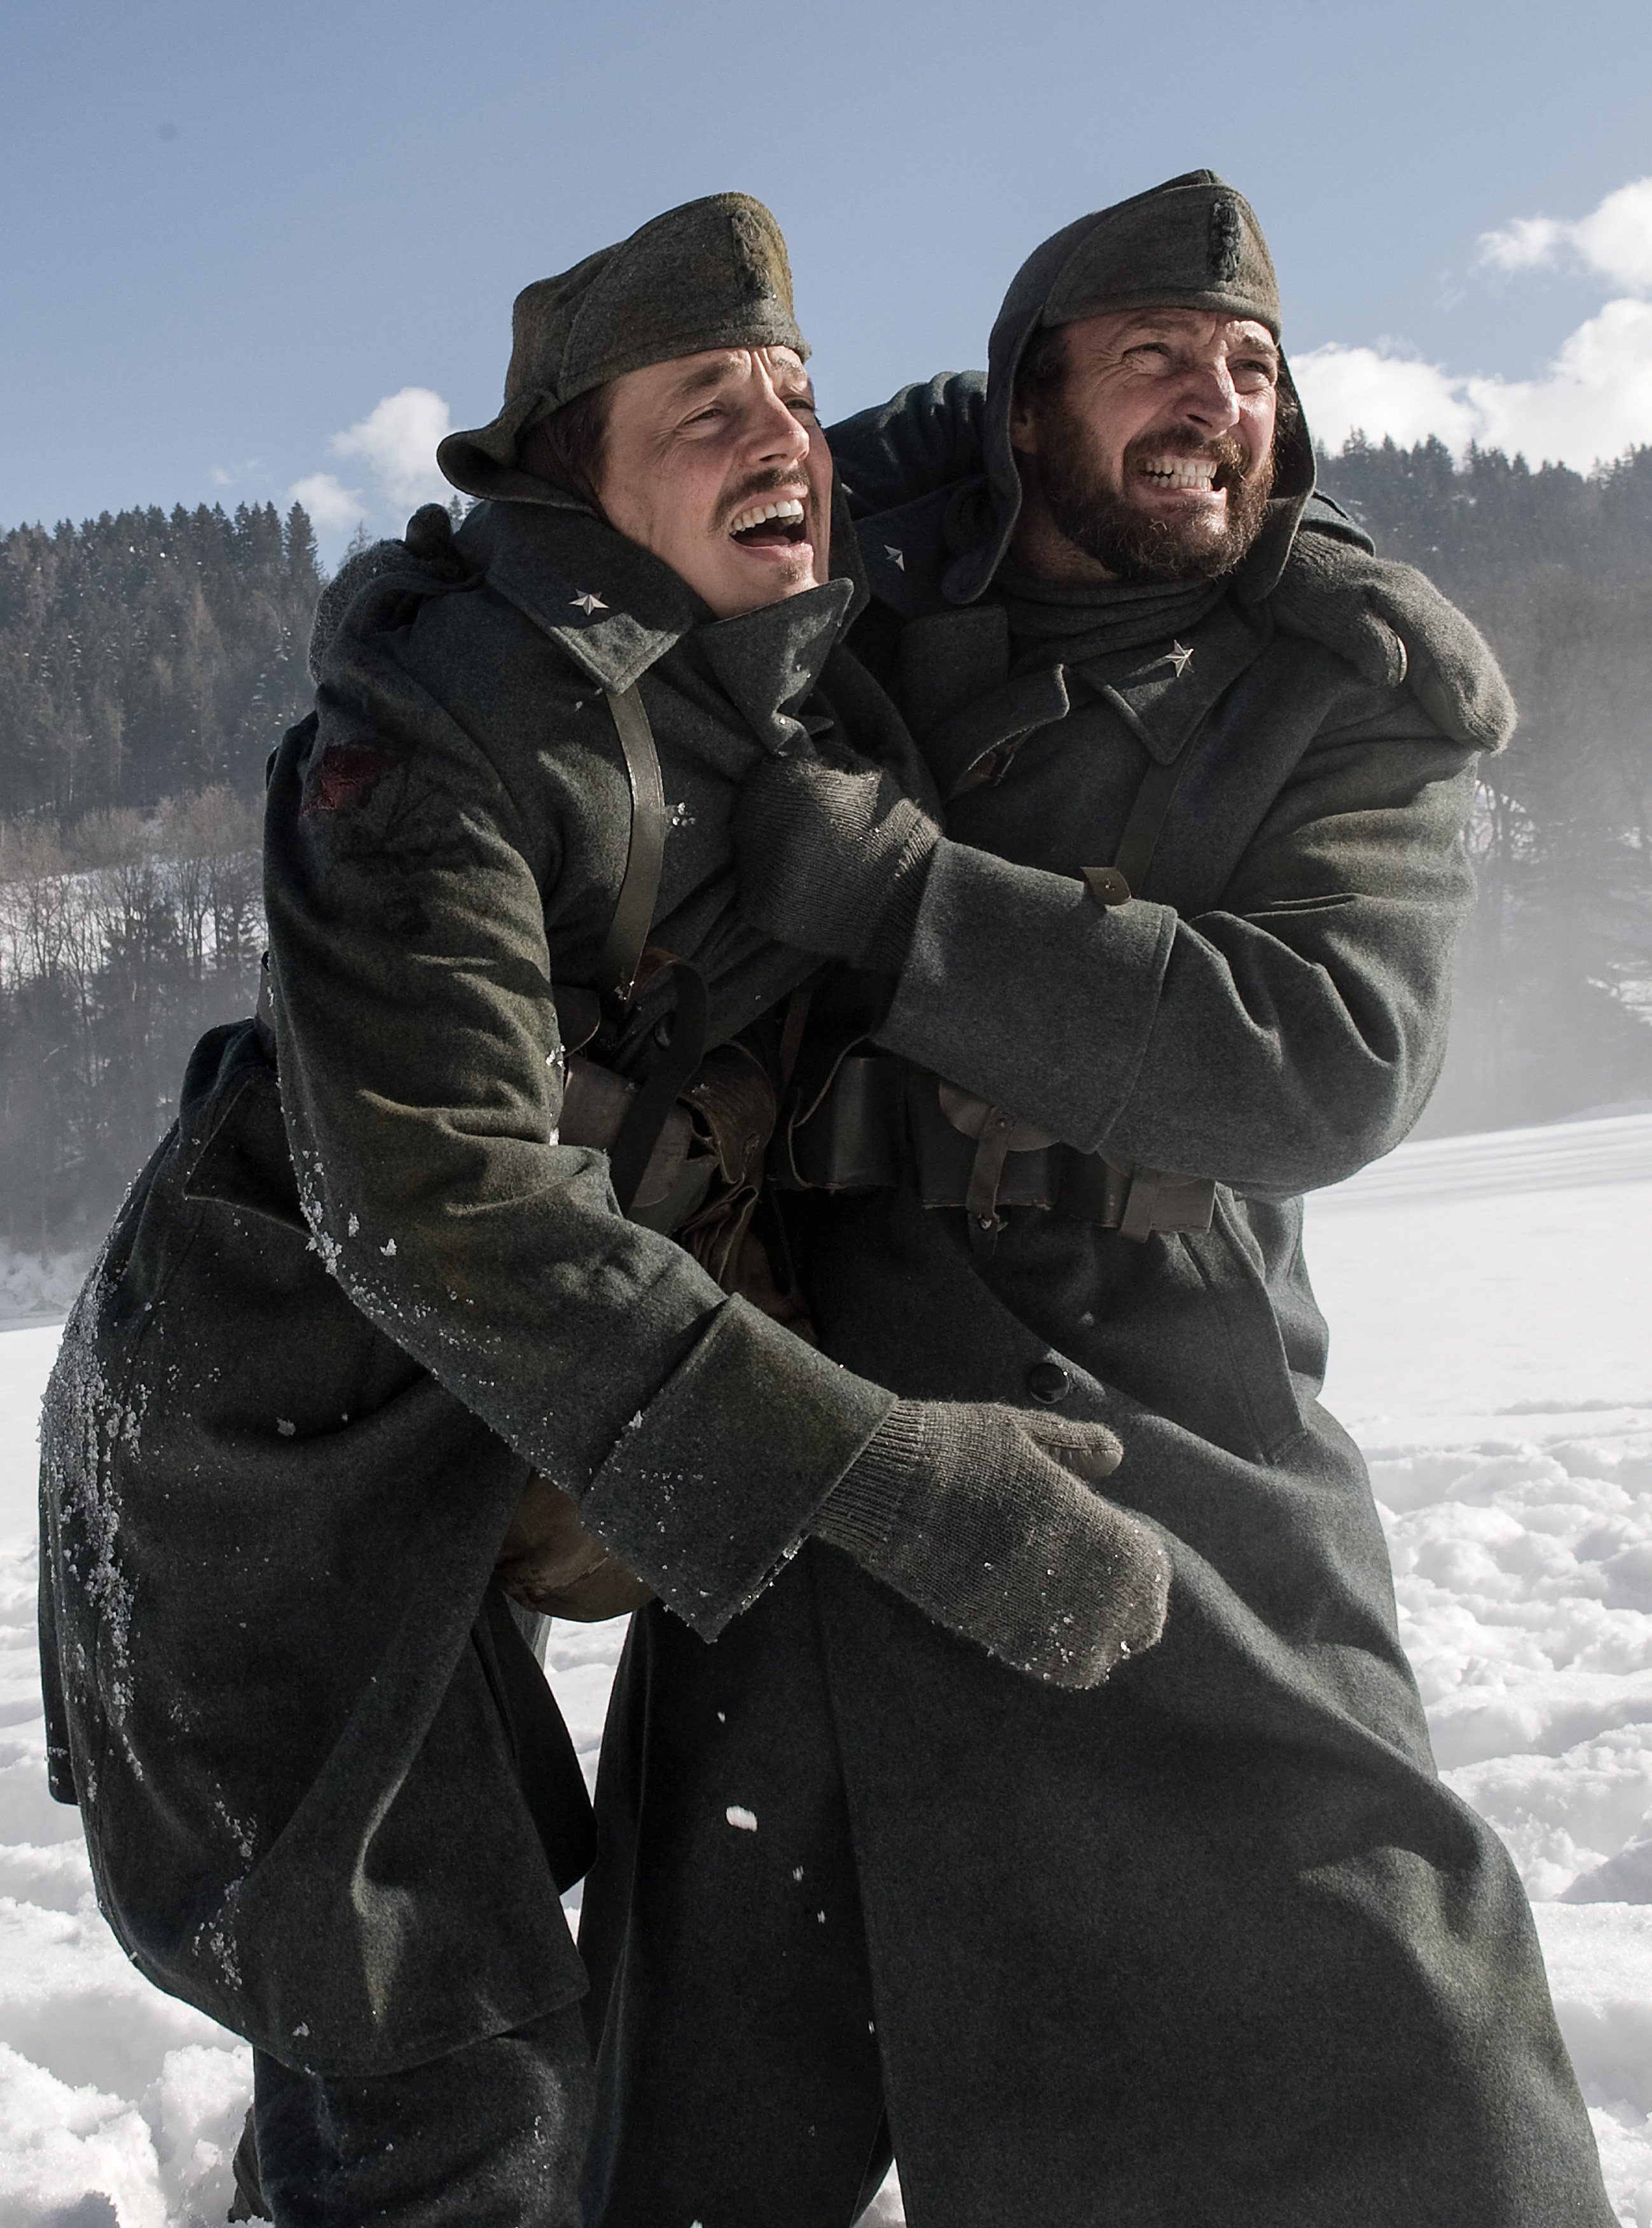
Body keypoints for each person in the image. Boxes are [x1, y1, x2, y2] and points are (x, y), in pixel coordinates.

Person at [36, 193, 1164, 2228]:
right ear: (578, 480)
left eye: (796, 394)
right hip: (263, 1453)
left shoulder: (766, 667)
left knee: (426, 2042)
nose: (783, 437)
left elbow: (978, 439)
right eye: (710, 403)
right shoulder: (434, 739)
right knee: (443, 2073)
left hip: (484, 1427)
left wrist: (1246, 483)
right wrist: (888, 1476)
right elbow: (438, 1196)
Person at [578, 173, 1617, 2226]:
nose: (1214, 401)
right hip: (819, 1416)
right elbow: (612, 526)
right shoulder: (857, 583)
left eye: (1251, 369)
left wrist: (910, 901)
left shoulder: (1348, 698)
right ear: (1027, 402)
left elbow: (1330, 1054)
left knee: (1390, 1998)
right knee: (687, 2100)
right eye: (1155, 355)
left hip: (1163, 1417)